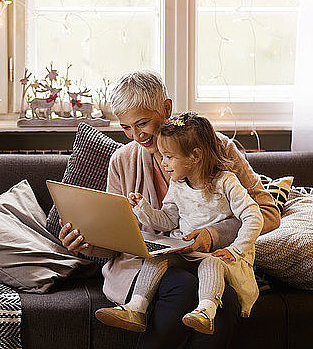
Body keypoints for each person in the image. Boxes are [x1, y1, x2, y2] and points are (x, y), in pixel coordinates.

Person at [59, 70, 280, 348]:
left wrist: (213, 235)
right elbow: (115, 241)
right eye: (126, 128)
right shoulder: (122, 161)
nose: (136, 136)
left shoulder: (217, 148)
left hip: (210, 260)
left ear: (166, 108)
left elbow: (268, 213)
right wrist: (85, 242)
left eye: (142, 123)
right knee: (182, 286)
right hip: (145, 265)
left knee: (224, 302)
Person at [94, 112, 263, 336]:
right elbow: (167, 220)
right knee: (156, 259)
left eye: (169, 157)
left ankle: (205, 312)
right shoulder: (178, 185)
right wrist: (142, 209)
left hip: (218, 255)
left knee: (210, 265)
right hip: (185, 252)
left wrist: (236, 249)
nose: (163, 163)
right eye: (162, 157)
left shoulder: (226, 182)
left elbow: (255, 215)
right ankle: (135, 309)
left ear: (195, 156)